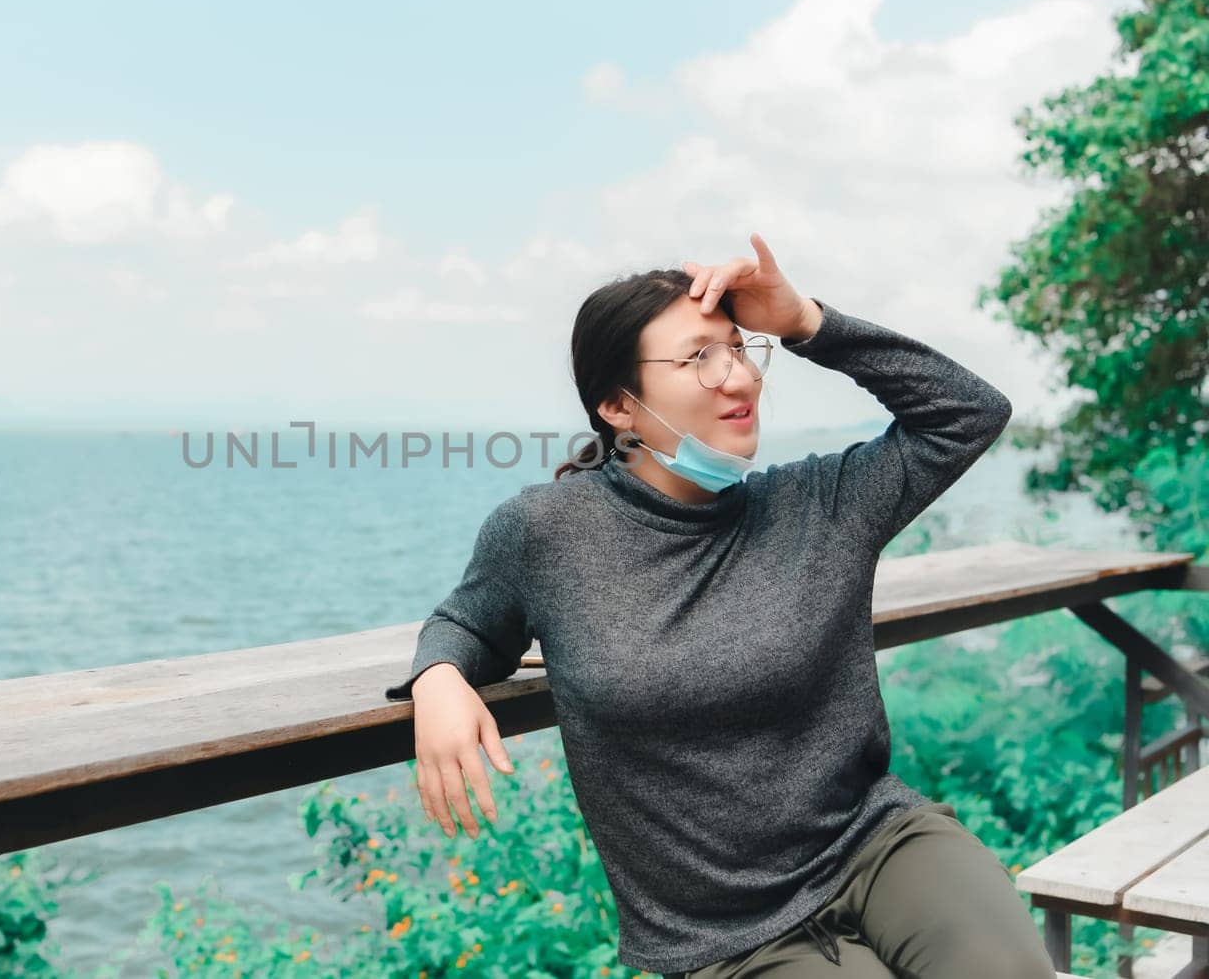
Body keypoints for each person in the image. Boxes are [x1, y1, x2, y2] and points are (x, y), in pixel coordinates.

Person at [383, 234, 1055, 977]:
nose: (738, 377)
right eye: (699, 357)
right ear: (617, 405)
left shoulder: (821, 505)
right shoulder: (546, 533)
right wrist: (438, 676)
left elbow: (968, 413)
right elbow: (467, 622)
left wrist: (804, 321)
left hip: (877, 845)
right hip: (724, 937)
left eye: (739, 349)